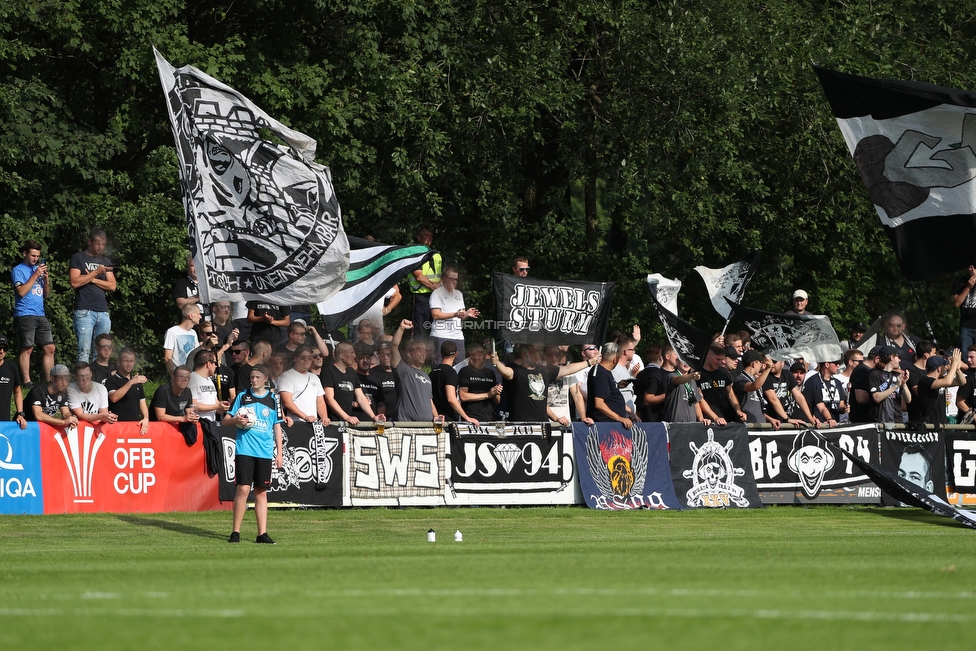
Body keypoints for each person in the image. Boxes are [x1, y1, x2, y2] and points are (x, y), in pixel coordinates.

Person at [224, 364, 284, 545]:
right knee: (242, 489)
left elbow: (277, 426)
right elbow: (226, 420)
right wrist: (236, 420)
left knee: (261, 492)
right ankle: (235, 532)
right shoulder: (243, 396)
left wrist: (279, 453)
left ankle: (262, 534)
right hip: (245, 450)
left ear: (266, 378)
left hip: (264, 452)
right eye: (252, 377)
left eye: (257, 377)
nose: (254, 380)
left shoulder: (273, 399)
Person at [492, 343, 593, 423]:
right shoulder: (517, 371)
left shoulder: (544, 371)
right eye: (535, 351)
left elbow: (568, 369)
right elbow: (505, 371)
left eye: (540, 351)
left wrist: (589, 362)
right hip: (521, 425)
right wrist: (496, 363)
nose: (539, 354)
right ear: (525, 354)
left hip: (543, 424)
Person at [12, 240, 55, 387]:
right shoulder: (18, 270)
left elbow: (46, 295)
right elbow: (21, 292)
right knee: (28, 347)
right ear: (25, 253)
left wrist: (46, 281)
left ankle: (50, 381)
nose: (35, 259)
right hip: (24, 313)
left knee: (50, 348)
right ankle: (27, 381)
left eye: (37, 256)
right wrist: (35, 275)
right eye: (33, 255)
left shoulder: (38, 270)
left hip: (40, 313)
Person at [69, 229, 116, 363]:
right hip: (85, 311)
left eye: (103, 244)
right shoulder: (78, 258)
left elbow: (112, 286)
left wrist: (91, 277)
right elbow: (75, 282)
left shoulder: (106, 261)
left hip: (103, 312)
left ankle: (98, 382)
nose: (100, 247)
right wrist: (97, 272)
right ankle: (82, 382)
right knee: (84, 351)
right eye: (97, 243)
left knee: (101, 352)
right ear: (89, 242)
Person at [429, 266, 479, 365]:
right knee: (440, 366)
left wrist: (467, 314)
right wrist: (455, 314)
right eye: (452, 279)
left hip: (457, 336)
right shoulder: (436, 293)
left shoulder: (459, 294)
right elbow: (435, 315)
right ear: (445, 279)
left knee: (460, 366)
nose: (455, 282)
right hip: (441, 335)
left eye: (456, 279)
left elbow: (461, 316)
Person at [390, 320, 437, 421]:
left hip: (426, 428)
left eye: (424, 350)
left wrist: (436, 417)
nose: (423, 353)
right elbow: (394, 347)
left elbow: (430, 402)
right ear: (409, 354)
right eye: (419, 350)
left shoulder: (426, 376)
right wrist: (401, 328)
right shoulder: (403, 370)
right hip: (407, 426)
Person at [323, 342, 377, 424]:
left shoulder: (352, 372)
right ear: (342, 356)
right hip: (333, 422)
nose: (354, 356)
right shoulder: (328, 371)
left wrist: (373, 416)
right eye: (351, 353)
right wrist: (346, 417)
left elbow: (361, 397)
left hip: (347, 422)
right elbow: (329, 398)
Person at [430, 340, 480, 426]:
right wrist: (467, 417)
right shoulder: (450, 372)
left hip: (436, 418)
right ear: (456, 354)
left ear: (441, 353)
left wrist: (436, 415)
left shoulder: (432, 372)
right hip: (448, 419)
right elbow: (451, 399)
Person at [277, 347, 329, 423]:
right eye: (303, 358)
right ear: (295, 358)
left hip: (314, 422)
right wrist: (305, 417)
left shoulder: (314, 377)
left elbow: (320, 401)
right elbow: (287, 402)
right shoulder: (286, 376)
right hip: (295, 423)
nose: (307, 360)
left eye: (310, 357)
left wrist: (324, 417)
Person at [585, 342, 632, 427]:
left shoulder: (603, 372)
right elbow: (599, 403)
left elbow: (603, 390)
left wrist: (616, 385)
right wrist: (619, 418)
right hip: (604, 425)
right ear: (615, 359)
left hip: (608, 424)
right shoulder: (601, 373)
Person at [697, 344, 746, 424]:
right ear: (709, 354)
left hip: (724, 417)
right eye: (717, 359)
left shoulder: (723, 372)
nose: (720, 362)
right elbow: (700, 399)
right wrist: (715, 417)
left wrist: (738, 410)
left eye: (722, 359)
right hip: (707, 420)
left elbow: (731, 394)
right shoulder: (697, 374)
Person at [105, 347, 149, 433]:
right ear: (119, 362)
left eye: (131, 361)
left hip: (134, 426)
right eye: (126, 361)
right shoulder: (112, 380)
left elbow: (143, 404)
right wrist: (131, 382)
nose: (129, 364)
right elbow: (114, 398)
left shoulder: (137, 382)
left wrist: (146, 418)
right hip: (116, 426)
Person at [408, 226, 442, 337]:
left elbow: (442, 275)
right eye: (426, 235)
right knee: (420, 330)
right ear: (418, 237)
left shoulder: (436, 255)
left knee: (436, 328)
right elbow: (419, 276)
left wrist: (440, 284)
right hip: (421, 296)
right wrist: (433, 287)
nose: (429, 238)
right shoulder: (415, 254)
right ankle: (418, 353)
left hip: (436, 296)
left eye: (430, 235)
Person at [763, 358, 819, 426]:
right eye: (770, 361)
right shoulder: (765, 376)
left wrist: (810, 418)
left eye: (774, 362)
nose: (772, 364)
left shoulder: (787, 374)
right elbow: (773, 400)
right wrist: (787, 419)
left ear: (782, 363)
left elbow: (799, 396)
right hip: (768, 422)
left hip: (781, 421)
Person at [916, 350, 966, 424]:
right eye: (944, 366)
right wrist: (954, 364)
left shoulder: (940, 380)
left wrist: (957, 369)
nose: (946, 367)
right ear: (939, 369)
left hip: (941, 423)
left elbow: (962, 382)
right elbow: (948, 381)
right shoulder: (925, 380)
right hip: (929, 425)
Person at [459, 343, 502, 423]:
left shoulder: (490, 373)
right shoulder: (465, 371)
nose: (476, 358)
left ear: (485, 356)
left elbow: (497, 400)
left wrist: (496, 391)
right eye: (473, 355)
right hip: (470, 418)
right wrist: (487, 395)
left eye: (479, 355)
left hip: (489, 417)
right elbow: (463, 396)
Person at [25, 364, 77, 428]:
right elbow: (38, 415)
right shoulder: (37, 391)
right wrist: (63, 422)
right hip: (24, 427)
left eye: (66, 379)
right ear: (52, 379)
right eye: (61, 379)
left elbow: (66, 413)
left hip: (42, 429)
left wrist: (71, 418)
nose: (64, 383)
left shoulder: (62, 392)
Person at [734, 350, 777, 426]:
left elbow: (756, 407)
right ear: (754, 364)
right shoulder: (740, 379)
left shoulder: (754, 379)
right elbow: (755, 386)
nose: (761, 366)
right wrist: (768, 368)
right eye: (760, 362)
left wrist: (770, 419)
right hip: (747, 426)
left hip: (759, 424)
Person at [545, 346, 586, 426]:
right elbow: (540, 402)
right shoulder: (539, 372)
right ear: (544, 355)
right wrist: (556, 418)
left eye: (556, 355)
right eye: (550, 355)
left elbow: (577, 395)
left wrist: (583, 417)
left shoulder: (567, 372)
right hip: (547, 422)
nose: (553, 358)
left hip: (566, 421)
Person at [869, 347, 911, 423]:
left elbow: (908, 399)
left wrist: (904, 384)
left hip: (897, 421)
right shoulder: (874, 373)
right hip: (880, 421)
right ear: (892, 357)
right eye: (898, 357)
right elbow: (877, 398)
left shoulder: (897, 375)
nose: (900, 360)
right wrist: (895, 386)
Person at [802, 360, 849, 427]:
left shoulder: (837, 382)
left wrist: (844, 408)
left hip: (835, 424)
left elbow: (841, 405)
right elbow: (807, 406)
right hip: (818, 425)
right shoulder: (812, 381)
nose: (838, 366)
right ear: (827, 365)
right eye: (836, 364)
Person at [189, 350, 229, 422]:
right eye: (215, 363)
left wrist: (222, 406)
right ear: (208, 364)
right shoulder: (192, 379)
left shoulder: (209, 380)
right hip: (198, 424)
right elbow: (193, 405)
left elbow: (215, 403)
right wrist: (216, 406)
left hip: (210, 424)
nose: (216, 366)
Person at [163, 304, 202, 374]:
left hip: (192, 374)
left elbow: (197, 354)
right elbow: (167, 357)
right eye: (198, 314)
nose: (200, 317)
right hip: (179, 375)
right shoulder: (172, 331)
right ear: (191, 316)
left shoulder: (193, 333)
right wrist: (173, 376)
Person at [0, 335, 27, 429]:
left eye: (4, 348)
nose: (1, 351)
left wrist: (20, 414)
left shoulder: (12, 367)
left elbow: (17, 391)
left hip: (4, 423)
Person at [353, 342, 384, 419]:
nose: (365, 361)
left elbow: (380, 405)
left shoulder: (376, 381)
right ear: (356, 359)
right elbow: (342, 401)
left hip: (373, 424)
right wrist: (355, 404)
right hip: (355, 423)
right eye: (362, 358)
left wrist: (381, 421)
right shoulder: (351, 377)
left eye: (368, 358)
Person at [172, 254, 210, 319]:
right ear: (188, 268)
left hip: (209, 324)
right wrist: (198, 296)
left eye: (198, 265)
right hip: (191, 324)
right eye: (192, 265)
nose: (196, 268)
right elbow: (180, 304)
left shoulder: (209, 283)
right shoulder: (182, 283)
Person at [372, 341, 399, 419]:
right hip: (380, 417)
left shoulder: (400, 373)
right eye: (382, 354)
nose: (386, 357)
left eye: (388, 354)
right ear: (378, 355)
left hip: (400, 417)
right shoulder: (372, 373)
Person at [951, 264, 976, 351]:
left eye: (975, 267)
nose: (972, 269)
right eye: (970, 267)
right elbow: (956, 303)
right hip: (966, 325)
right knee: (965, 355)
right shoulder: (960, 281)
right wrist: (968, 287)